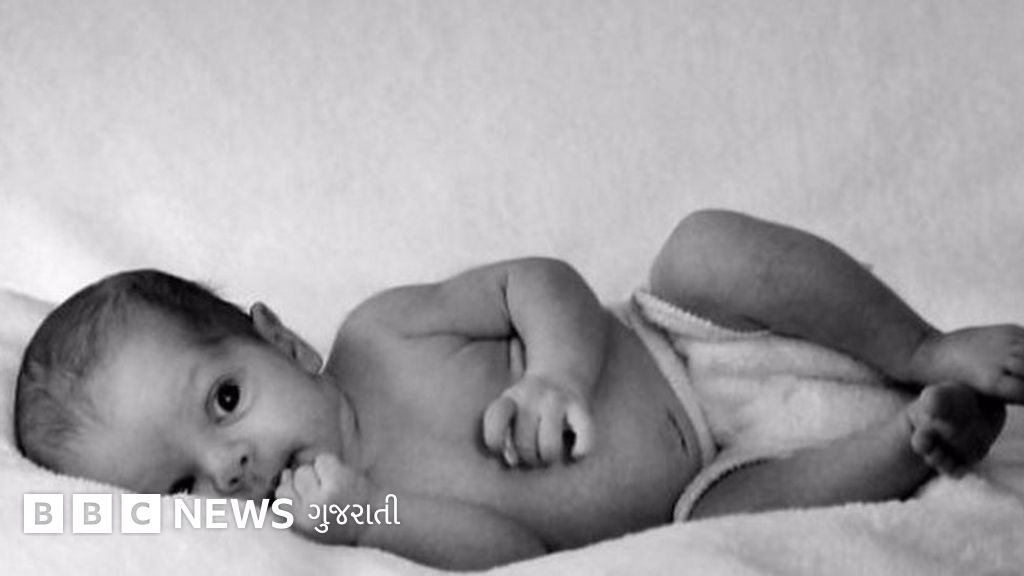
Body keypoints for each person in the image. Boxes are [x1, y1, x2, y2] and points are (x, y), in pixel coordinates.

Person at [14, 209, 1018, 570]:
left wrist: (554, 373)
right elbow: (514, 557)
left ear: (279, 340)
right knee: (741, 533)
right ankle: (918, 436)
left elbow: (535, 281)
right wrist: (365, 516)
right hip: (704, 489)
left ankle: (922, 347)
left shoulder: (382, 333)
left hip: (682, 342)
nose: (229, 467)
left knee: (703, 247)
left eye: (224, 401)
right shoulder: (361, 522)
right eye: (183, 486)